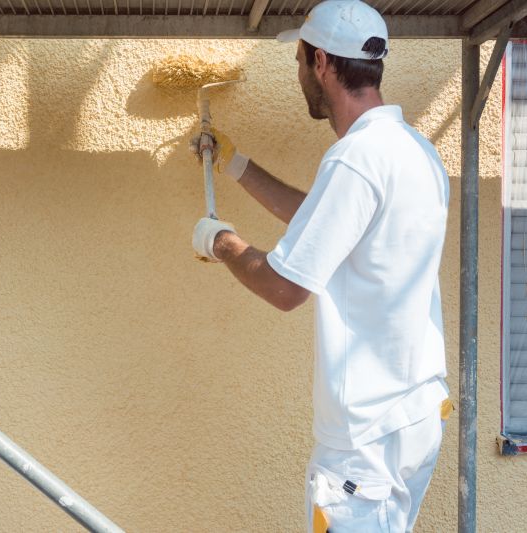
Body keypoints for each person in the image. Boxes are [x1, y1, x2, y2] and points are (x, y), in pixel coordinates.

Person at [190, 1, 451, 531]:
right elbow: (327, 224)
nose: (299, 75)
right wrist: (235, 164)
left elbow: (285, 288)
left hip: (365, 438)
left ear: (323, 63)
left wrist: (219, 242)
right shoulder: (412, 149)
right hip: (412, 414)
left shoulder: (356, 157)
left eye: (300, 61)